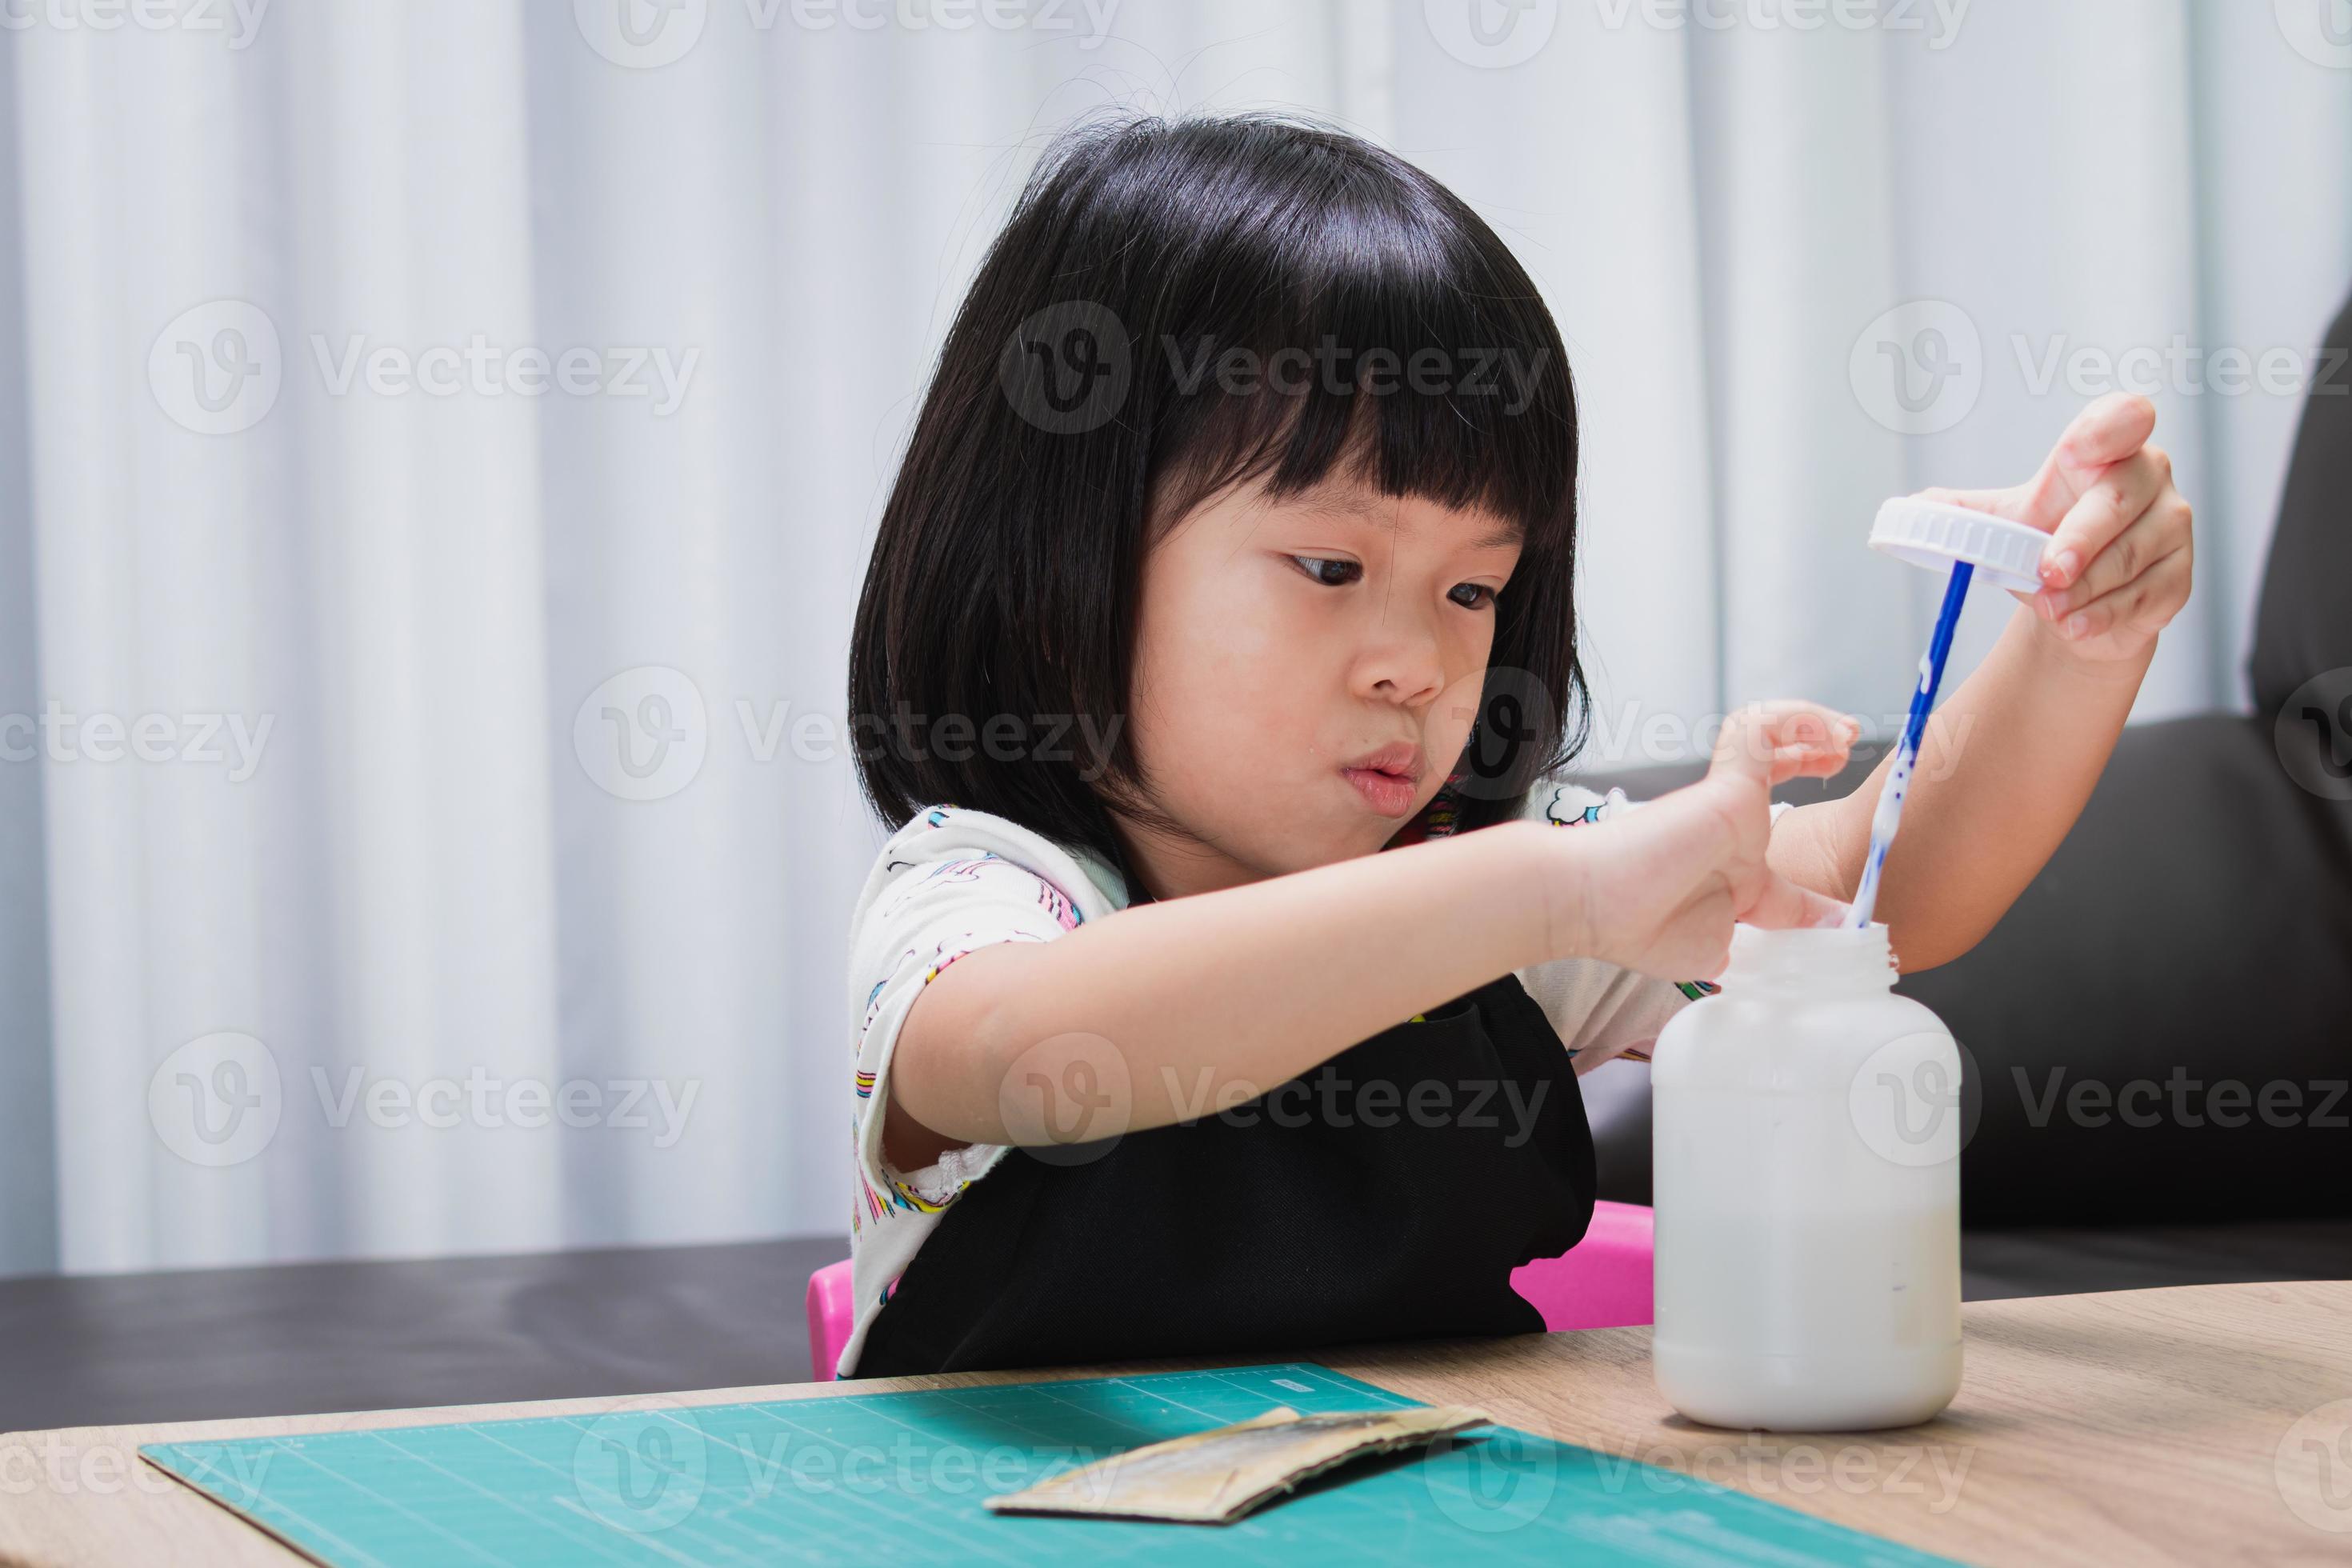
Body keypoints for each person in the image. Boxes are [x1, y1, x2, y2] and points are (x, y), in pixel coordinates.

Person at [834, 114, 2194, 1378]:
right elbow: (1024, 1050)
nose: (1417, 663)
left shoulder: (1494, 875)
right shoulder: (989, 893)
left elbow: (1871, 887)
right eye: (1327, 565)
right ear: (1061, 562)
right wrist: (1552, 892)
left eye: (1472, 590)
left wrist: (2076, 638)